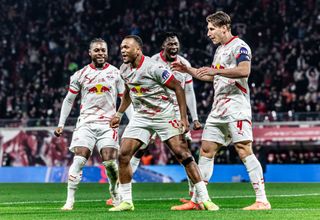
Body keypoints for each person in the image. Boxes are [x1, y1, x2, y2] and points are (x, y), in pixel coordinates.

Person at [171, 11, 271, 210]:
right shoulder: (219, 50)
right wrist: (189, 70)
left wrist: (216, 70)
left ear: (224, 27)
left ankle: (262, 200)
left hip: (236, 107)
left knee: (244, 149)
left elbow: (244, 71)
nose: (208, 33)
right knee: (206, 150)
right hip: (218, 109)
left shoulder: (240, 46)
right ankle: (199, 200)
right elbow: (213, 76)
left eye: (211, 29)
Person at [108, 35, 218, 211]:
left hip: (164, 114)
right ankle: (127, 201)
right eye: (121, 47)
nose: (122, 50)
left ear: (138, 49)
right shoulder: (124, 69)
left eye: (127, 47)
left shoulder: (154, 67)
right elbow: (129, 92)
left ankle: (204, 198)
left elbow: (178, 87)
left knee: (183, 155)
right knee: (123, 155)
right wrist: (119, 113)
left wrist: (183, 118)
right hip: (141, 116)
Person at [54, 38, 132, 210]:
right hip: (86, 123)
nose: (100, 53)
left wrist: (133, 123)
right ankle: (69, 201)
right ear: (90, 53)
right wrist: (61, 123)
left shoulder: (116, 73)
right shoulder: (80, 74)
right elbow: (68, 100)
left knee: (110, 163)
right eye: (97, 50)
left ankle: (113, 190)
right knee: (79, 159)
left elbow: (125, 100)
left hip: (108, 124)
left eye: (103, 50)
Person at [131, 32, 202, 193]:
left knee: (185, 149)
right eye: (170, 44)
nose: (174, 47)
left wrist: (195, 118)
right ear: (163, 46)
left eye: (176, 44)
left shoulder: (184, 64)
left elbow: (189, 92)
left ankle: (194, 191)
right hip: (155, 109)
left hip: (176, 111)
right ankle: (124, 188)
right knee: (141, 146)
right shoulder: (152, 61)